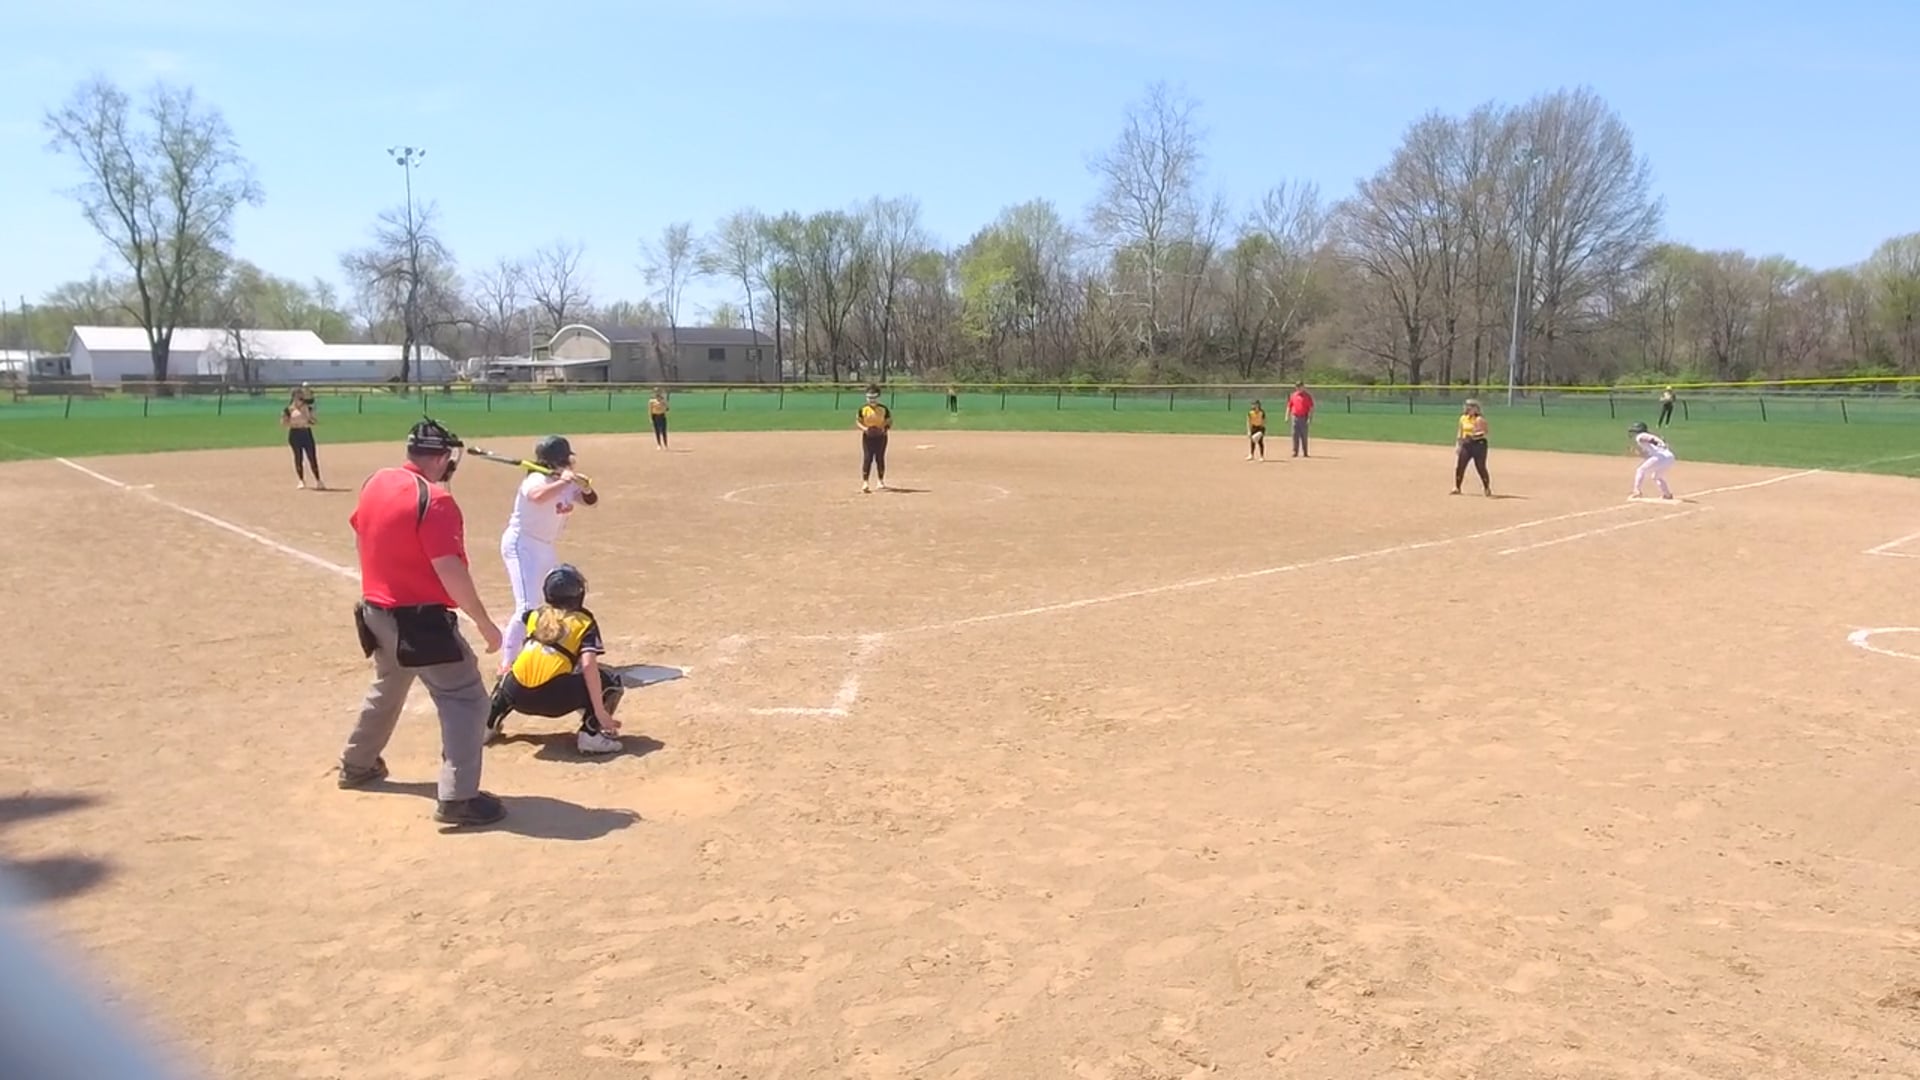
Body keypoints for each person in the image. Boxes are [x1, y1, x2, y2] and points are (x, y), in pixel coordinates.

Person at [337, 418, 507, 828]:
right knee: (466, 699)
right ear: (443, 458)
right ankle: (458, 797)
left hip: (376, 611)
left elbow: (361, 532)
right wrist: (484, 622)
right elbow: (449, 569)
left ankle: (357, 764)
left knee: (389, 683)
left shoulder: (377, 481)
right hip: (419, 622)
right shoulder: (436, 500)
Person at [486, 564, 625, 754]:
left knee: (511, 675)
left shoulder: (535, 615)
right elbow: (588, 665)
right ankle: (591, 734)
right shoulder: (584, 623)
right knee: (611, 681)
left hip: (517, 696)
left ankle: (487, 725)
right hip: (553, 700)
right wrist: (600, 711)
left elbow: (526, 621)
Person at [498, 435, 594, 668]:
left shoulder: (564, 481)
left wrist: (585, 487)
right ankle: (507, 665)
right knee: (527, 606)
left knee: (554, 601)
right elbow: (538, 496)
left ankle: (546, 651)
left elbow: (590, 501)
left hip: (545, 546)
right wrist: (563, 482)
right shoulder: (536, 479)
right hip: (522, 544)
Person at [281, 392, 323, 490]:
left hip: (306, 433)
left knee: (312, 457)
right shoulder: (288, 410)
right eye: (298, 398)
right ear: (294, 398)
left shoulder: (308, 408)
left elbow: (314, 420)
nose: (300, 400)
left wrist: (311, 419)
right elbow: (283, 423)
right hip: (295, 433)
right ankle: (301, 480)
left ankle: (318, 480)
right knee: (298, 457)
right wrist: (288, 421)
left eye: (301, 397)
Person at [1452, 398, 1492, 496]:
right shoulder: (1463, 418)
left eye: (1470, 407)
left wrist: (1475, 435)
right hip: (1467, 443)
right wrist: (1458, 445)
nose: (1468, 409)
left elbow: (1485, 432)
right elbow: (1460, 432)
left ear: (1476, 409)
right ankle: (1457, 487)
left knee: (1480, 466)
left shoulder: (1479, 419)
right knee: (1460, 465)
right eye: (1467, 407)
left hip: (1479, 444)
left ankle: (1486, 487)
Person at [857, 385, 891, 493]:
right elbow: (858, 421)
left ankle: (880, 480)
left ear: (878, 397)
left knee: (879, 458)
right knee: (868, 458)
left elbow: (889, 421)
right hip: (868, 437)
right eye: (869, 397)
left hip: (881, 437)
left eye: (874, 397)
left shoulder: (883, 409)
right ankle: (865, 482)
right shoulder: (863, 409)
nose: (872, 400)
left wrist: (883, 429)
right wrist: (865, 429)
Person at [1629, 421, 1676, 499]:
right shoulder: (1651, 436)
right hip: (1669, 457)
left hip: (1660, 456)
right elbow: (1652, 449)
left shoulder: (1641, 436)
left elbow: (1649, 439)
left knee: (1640, 470)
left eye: (1634, 430)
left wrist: (1654, 441)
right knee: (1656, 476)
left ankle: (1636, 491)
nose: (1633, 432)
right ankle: (1667, 494)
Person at [1286, 382, 1315, 458]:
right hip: (1295, 417)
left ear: (1303, 387)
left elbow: (1311, 408)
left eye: (1300, 386)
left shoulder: (1307, 396)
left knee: (1304, 435)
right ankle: (1295, 452)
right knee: (1294, 434)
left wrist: (1310, 418)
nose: (1298, 388)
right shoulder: (1293, 395)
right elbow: (1289, 406)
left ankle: (1305, 452)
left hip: (1304, 417)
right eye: (1297, 387)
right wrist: (1287, 416)